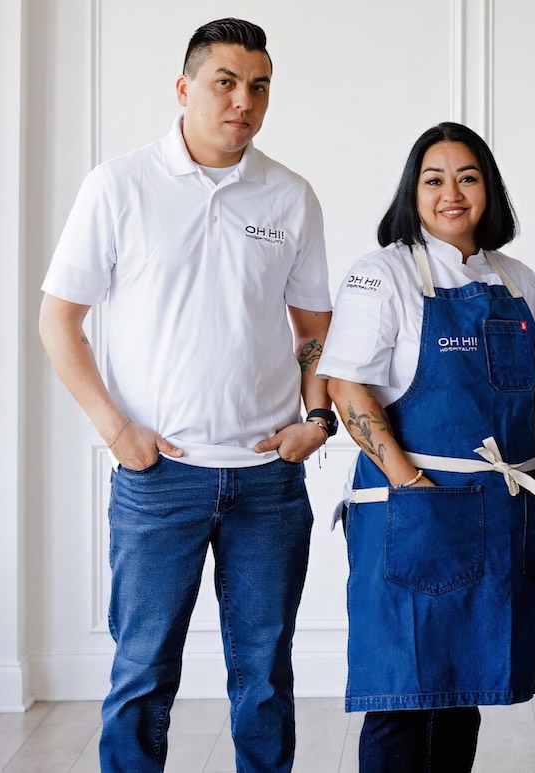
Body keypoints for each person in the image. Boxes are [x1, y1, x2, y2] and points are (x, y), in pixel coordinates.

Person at [38, 18, 332, 772]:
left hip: (268, 477)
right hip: (158, 475)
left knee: (264, 676)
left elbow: (315, 327)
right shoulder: (119, 184)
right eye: (225, 83)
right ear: (184, 87)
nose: (244, 101)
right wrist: (116, 429)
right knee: (142, 673)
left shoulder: (290, 195)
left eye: (259, 87)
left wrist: (316, 416)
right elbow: (58, 320)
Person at [317, 122, 535, 773]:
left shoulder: (518, 282)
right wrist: (414, 487)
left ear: (489, 189)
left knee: (463, 689)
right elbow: (349, 391)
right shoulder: (383, 275)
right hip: (414, 515)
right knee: (402, 693)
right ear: (413, 191)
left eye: (467, 177)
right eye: (434, 179)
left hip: (501, 513)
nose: (451, 192)